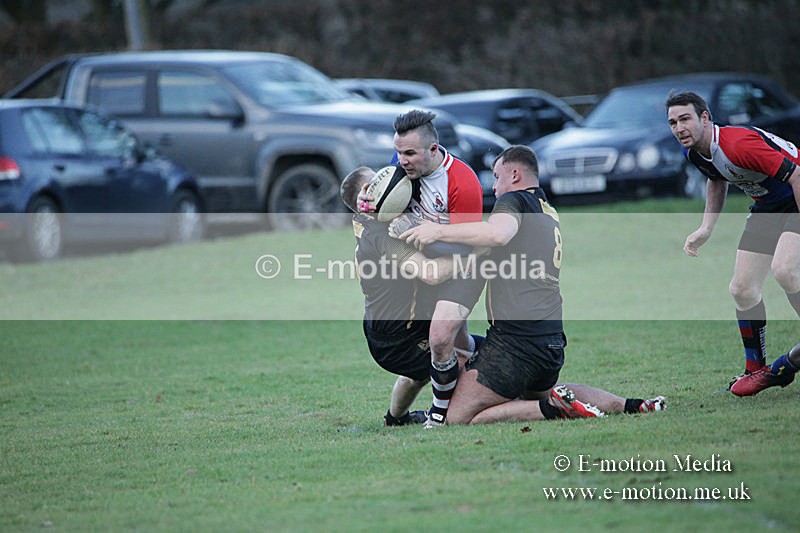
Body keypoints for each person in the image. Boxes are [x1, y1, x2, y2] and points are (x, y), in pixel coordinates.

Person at [346, 163, 664, 425]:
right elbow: (440, 269)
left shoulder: (509, 210)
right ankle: (632, 405)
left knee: (456, 407)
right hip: (543, 339)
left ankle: (549, 409)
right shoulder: (543, 209)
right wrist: (475, 247)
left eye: (497, 177)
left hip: (511, 344)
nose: (493, 186)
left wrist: (468, 240)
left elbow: (491, 236)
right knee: (445, 361)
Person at [666, 91, 800, 396]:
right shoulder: (697, 153)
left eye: (685, 118)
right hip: (768, 207)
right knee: (742, 289)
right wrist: (706, 228)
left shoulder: (736, 143)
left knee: (785, 270)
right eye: (673, 122)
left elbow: (796, 175)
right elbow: (717, 178)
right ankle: (757, 369)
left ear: (704, 117)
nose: (679, 128)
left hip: (796, 197)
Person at [358, 109, 486, 426]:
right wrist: (369, 204)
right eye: (399, 152)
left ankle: (439, 417)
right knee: (452, 350)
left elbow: (467, 245)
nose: (401, 160)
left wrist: (420, 231)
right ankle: (396, 418)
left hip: (462, 264)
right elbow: (376, 203)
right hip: (426, 268)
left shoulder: (463, 182)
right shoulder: (399, 168)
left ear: (433, 149)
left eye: (410, 153)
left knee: (442, 341)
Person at [342, 165, 467, 426]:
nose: (385, 183)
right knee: (470, 365)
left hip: (388, 329)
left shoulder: (367, 222)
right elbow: (432, 273)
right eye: (374, 184)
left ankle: (395, 419)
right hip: (397, 338)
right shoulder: (382, 235)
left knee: (417, 375)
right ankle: (444, 417)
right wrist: (480, 254)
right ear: (363, 199)